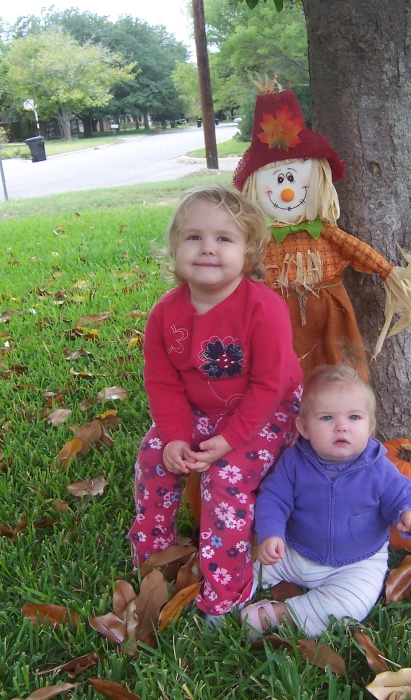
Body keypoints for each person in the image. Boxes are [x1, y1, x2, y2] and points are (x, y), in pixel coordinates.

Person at [128, 184, 303, 623]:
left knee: (225, 479)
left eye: (224, 239)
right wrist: (174, 437)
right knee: (153, 455)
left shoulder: (264, 309)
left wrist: (229, 440)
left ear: (249, 252)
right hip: (199, 411)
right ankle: (154, 550)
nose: (207, 248)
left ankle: (227, 587)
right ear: (174, 249)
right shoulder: (165, 315)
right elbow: (162, 383)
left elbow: (269, 386)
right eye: (193, 237)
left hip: (267, 412)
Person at [234, 83, 411, 379]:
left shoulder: (324, 233)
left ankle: (340, 416)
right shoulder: (258, 243)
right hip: (274, 316)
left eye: (295, 179)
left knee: (337, 368)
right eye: (280, 180)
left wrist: (388, 271)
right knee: (277, 373)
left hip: (329, 312)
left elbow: (355, 249)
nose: (288, 192)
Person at [240, 361, 411, 638]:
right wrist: (271, 534)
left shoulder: (379, 467)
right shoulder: (294, 462)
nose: (341, 427)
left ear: (370, 426)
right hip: (292, 551)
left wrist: (409, 513)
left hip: (356, 562)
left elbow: (401, 495)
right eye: (327, 418)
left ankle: (284, 615)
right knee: (247, 564)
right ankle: (227, 599)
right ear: (303, 427)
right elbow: (274, 498)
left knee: (353, 603)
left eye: (354, 418)